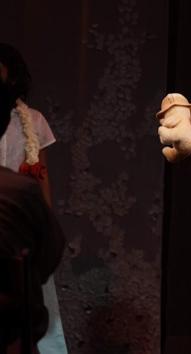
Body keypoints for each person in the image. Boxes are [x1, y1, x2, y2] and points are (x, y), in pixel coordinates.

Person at [0, 43, 68, 354]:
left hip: (20, 225)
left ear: (11, 74)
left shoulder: (33, 120)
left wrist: (44, 223)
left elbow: (41, 178)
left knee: (30, 312)